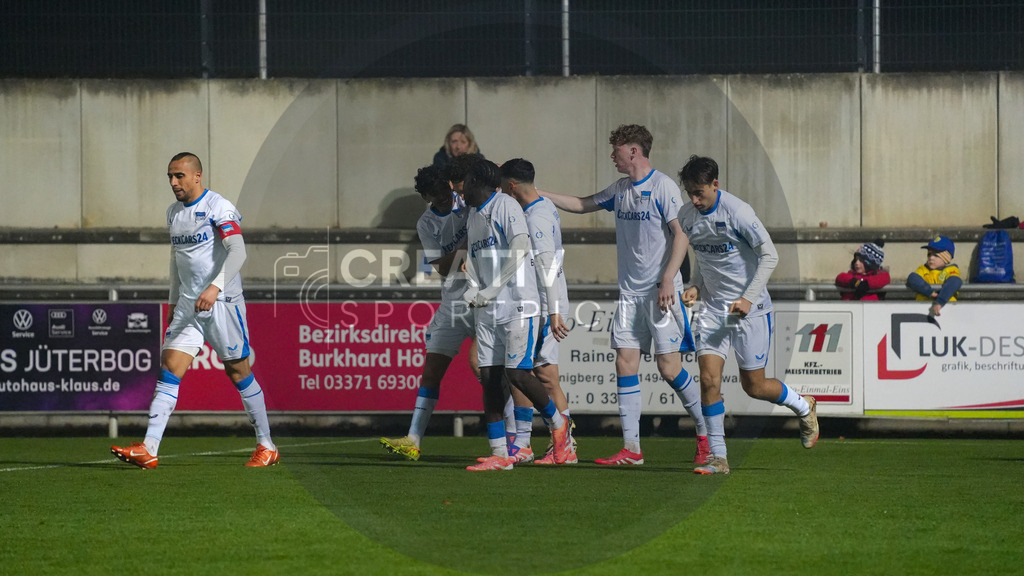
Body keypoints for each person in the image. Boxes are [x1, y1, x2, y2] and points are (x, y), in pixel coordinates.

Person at [540, 124, 708, 466]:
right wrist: (536, 193)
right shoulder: (620, 189)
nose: (612, 156)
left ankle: (706, 434)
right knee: (624, 362)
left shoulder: (663, 187)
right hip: (630, 295)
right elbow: (582, 204)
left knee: (669, 369)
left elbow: (681, 235)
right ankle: (632, 448)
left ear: (633, 151)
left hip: (662, 294)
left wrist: (668, 278)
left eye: (616, 150)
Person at [111, 152, 278, 469]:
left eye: (180, 176)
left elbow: (238, 251)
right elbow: (177, 259)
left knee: (238, 371)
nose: (174, 182)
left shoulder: (218, 207)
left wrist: (215, 288)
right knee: (169, 367)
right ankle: (149, 448)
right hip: (188, 306)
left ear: (197, 176)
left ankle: (266, 445)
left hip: (222, 303)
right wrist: (174, 300)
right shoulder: (173, 213)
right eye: (170, 177)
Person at [677, 155, 818, 475]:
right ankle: (718, 457)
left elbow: (770, 256)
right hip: (714, 310)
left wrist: (747, 298)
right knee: (709, 379)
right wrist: (695, 285)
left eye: (699, 192)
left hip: (749, 311)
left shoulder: (738, 212)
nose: (694, 200)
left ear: (715, 184)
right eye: (689, 193)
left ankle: (803, 405)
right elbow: (702, 256)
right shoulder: (687, 216)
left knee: (754, 386)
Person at [461, 158, 571, 471]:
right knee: (490, 378)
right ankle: (500, 453)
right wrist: (473, 289)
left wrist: (493, 290)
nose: (460, 190)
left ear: (476, 182)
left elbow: (522, 248)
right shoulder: (474, 216)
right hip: (488, 310)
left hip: (520, 305)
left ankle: (557, 423)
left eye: (464, 183)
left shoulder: (506, 206)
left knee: (519, 374)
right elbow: (472, 258)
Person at [379, 163, 474, 461]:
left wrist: (461, 251)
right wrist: (467, 244)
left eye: (444, 190)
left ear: (450, 185)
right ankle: (413, 439)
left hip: (485, 299)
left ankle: (513, 440)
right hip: (453, 303)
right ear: (427, 197)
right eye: (435, 195)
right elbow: (443, 268)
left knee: (489, 371)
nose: (442, 197)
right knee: (431, 370)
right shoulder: (427, 223)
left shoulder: (469, 202)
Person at [499, 158, 576, 465]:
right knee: (540, 374)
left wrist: (553, 311)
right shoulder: (544, 206)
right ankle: (559, 446)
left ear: (511, 186)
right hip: (545, 301)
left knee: (532, 374)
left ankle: (538, 443)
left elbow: (548, 265)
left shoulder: (535, 218)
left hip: (544, 304)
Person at [906, 235, 962, 316]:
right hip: (921, 310)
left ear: (946, 258)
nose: (931, 258)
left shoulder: (951, 270)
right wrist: (930, 292)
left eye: (936, 255)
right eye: (929, 254)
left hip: (947, 311)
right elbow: (912, 278)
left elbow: (954, 282)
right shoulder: (923, 269)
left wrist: (940, 302)